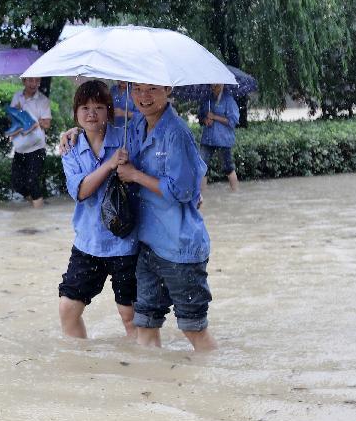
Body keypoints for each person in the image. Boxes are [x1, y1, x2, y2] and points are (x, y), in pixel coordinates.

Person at [114, 83, 217, 352]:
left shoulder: (177, 133)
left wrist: (135, 175)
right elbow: (101, 130)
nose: (143, 97)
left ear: (167, 89)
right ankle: (152, 388)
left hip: (180, 249)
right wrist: (74, 133)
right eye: (137, 89)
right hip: (148, 245)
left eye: (152, 89)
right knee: (146, 324)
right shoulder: (136, 124)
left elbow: (182, 190)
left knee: (193, 329)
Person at [59, 81, 139, 338]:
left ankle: (141, 369)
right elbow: (81, 191)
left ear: (109, 110)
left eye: (98, 107)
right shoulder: (70, 147)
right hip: (88, 243)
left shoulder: (127, 139)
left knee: (130, 315)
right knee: (68, 309)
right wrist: (109, 166)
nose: (91, 113)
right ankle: (83, 369)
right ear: (76, 113)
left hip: (125, 243)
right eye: (84, 107)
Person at [9, 77, 52, 208]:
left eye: (37, 81)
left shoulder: (43, 100)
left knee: (32, 181)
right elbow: (11, 118)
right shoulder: (17, 97)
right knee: (16, 183)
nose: (34, 84)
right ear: (23, 81)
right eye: (30, 81)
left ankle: (39, 213)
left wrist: (32, 120)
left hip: (37, 148)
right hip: (21, 147)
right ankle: (36, 205)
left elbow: (47, 124)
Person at [198, 83, 240, 191]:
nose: (213, 88)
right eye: (211, 85)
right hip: (208, 138)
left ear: (222, 85)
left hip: (223, 139)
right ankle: (202, 195)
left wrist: (215, 117)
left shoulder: (229, 100)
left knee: (228, 167)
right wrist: (205, 120)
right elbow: (201, 116)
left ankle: (236, 193)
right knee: (202, 166)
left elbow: (233, 121)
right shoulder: (207, 99)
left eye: (215, 85)